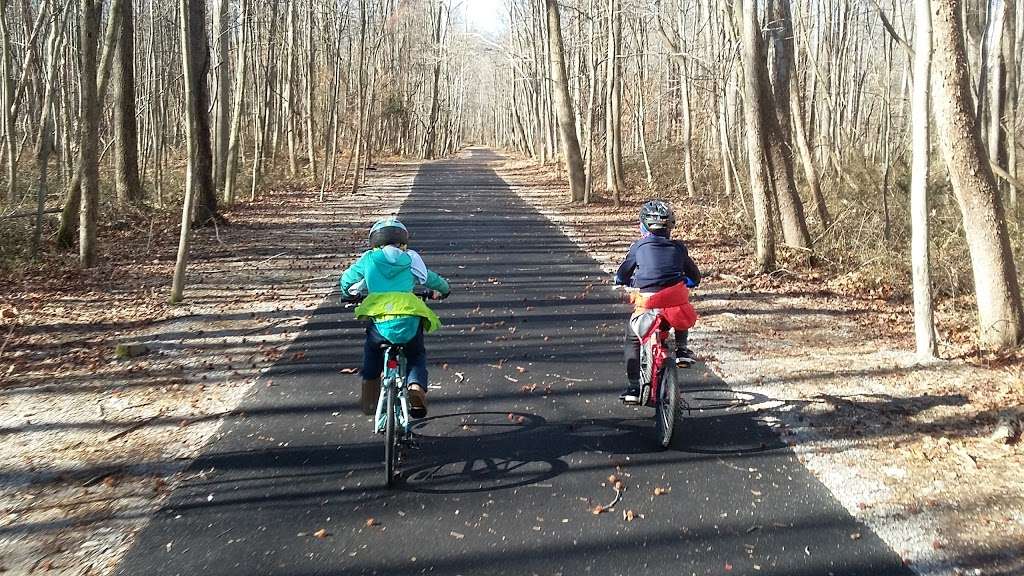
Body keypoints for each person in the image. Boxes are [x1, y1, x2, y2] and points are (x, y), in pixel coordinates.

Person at [340, 218, 450, 418]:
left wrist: (348, 292)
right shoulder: (410, 257)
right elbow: (430, 278)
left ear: (375, 241)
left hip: (380, 320)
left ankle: (370, 395)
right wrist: (443, 290)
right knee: (416, 355)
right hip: (408, 317)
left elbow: (348, 280)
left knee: (372, 350)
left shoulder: (369, 258)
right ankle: (415, 386)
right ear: (403, 240)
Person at [614, 200, 700, 404]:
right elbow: (694, 276)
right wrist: (688, 281)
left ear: (643, 226)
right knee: (680, 307)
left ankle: (634, 387)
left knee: (633, 338)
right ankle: (681, 349)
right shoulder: (679, 248)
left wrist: (621, 280)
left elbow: (623, 272)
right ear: (670, 227)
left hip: (648, 302)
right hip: (674, 302)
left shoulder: (638, 246)